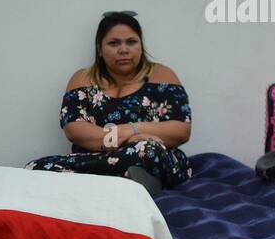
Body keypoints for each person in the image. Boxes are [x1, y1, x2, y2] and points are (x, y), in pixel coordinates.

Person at [27, 11, 192, 194]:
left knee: (146, 149)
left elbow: (181, 130)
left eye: (131, 42)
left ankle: (133, 185)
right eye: (114, 43)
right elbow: (74, 130)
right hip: (99, 158)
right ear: (99, 48)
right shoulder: (83, 79)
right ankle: (120, 181)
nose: (123, 49)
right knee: (35, 167)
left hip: (149, 157)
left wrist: (131, 129)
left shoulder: (161, 75)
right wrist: (124, 140)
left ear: (140, 45)